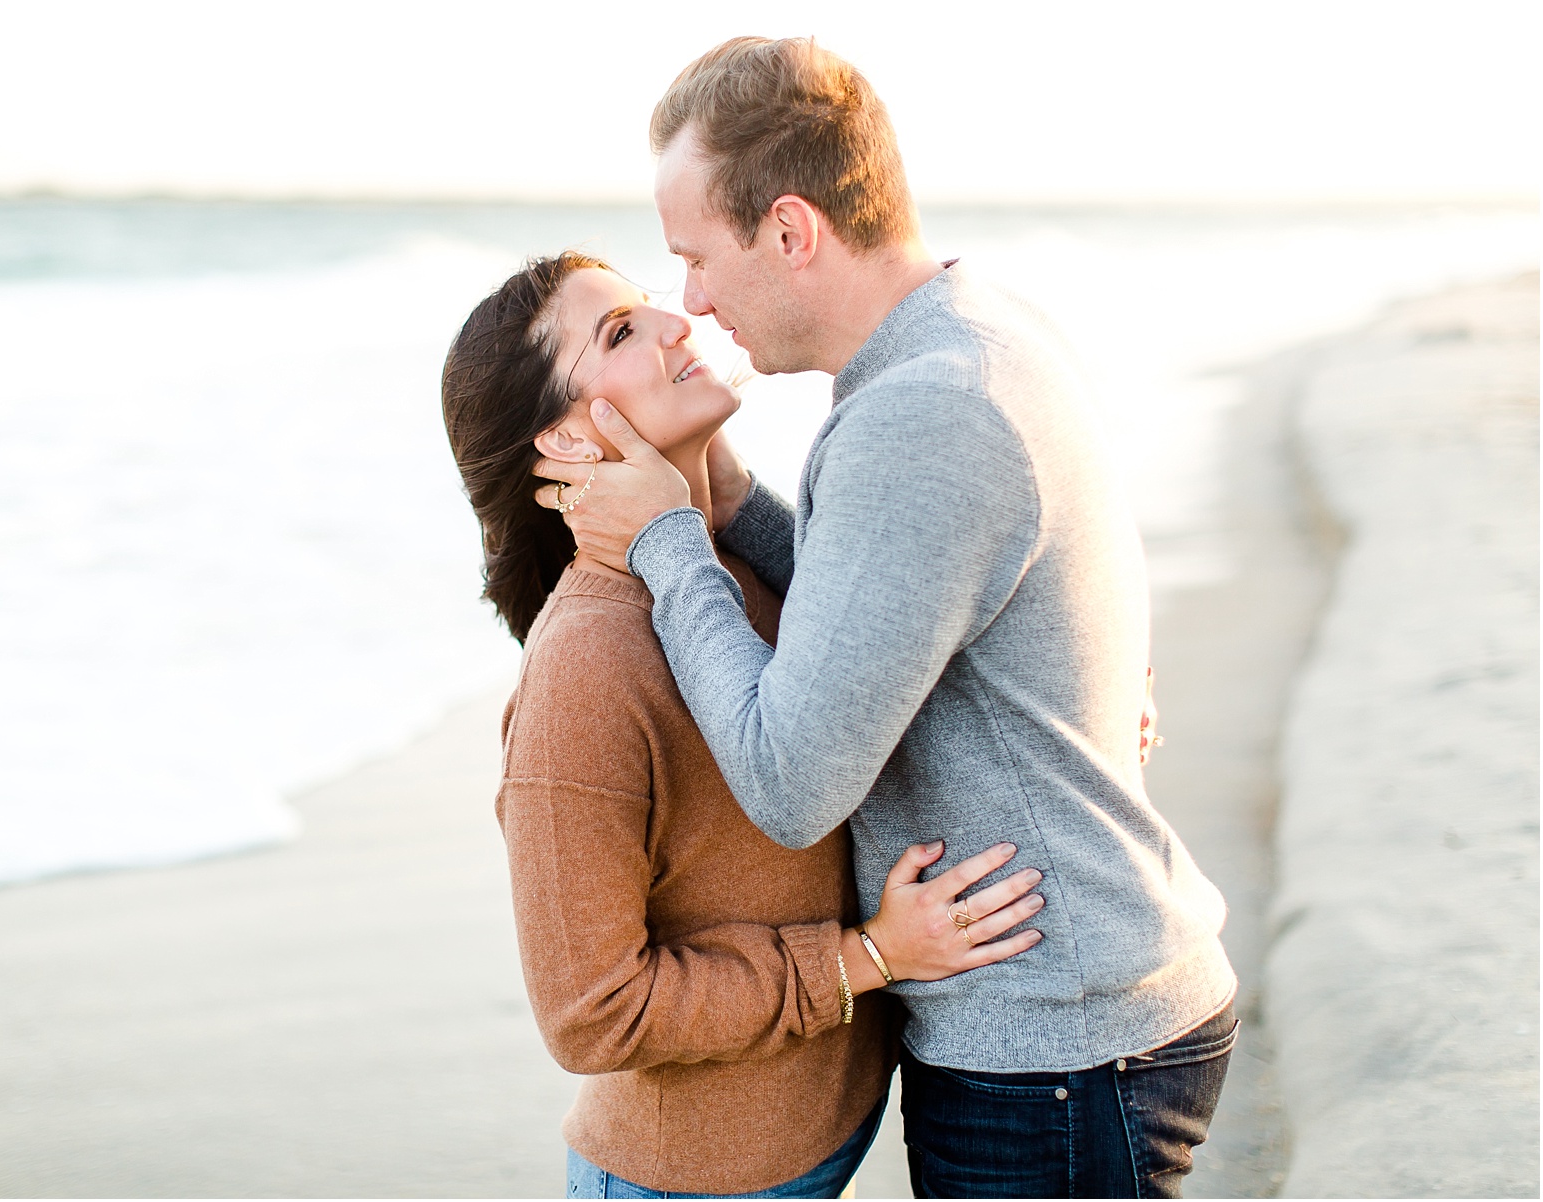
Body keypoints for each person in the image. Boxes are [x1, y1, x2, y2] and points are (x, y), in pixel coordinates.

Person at [533, 38, 1239, 1199]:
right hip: (1082, 1011)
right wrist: (719, 496)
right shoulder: (972, 331)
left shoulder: (924, 416)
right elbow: (902, 585)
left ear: (792, 230)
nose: (691, 300)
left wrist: (667, 541)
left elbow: (791, 778)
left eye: (696, 257)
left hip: (1055, 1036)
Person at [441, 252, 1050, 1199]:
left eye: (647, 308)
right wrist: (870, 957)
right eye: (620, 334)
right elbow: (590, 1014)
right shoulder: (584, 669)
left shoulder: (734, 566)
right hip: (688, 1181)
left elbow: (892, 654)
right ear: (564, 440)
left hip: (819, 1138)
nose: (676, 325)